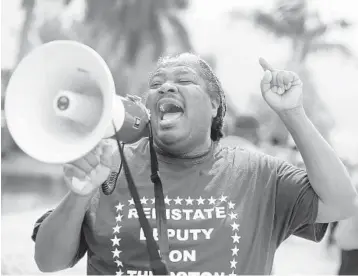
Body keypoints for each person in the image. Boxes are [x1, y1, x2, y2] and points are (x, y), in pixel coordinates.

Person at [31, 53, 357, 275]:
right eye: (156, 84)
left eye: (184, 81)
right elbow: (48, 261)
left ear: (215, 104)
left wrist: (292, 114)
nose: (166, 87)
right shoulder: (108, 166)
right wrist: (78, 194)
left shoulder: (260, 174)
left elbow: (341, 203)